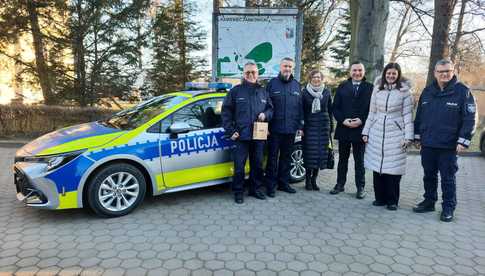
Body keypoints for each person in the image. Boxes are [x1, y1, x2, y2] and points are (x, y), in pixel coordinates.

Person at [413, 59, 476, 222]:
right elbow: (419, 116)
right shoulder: (427, 91)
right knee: (429, 175)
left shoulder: (463, 92)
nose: (444, 74)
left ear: (453, 71)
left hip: (448, 145)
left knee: (448, 178)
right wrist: (417, 136)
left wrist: (463, 141)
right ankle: (429, 201)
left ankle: (448, 207)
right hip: (428, 143)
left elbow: (470, 119)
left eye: (448, 71)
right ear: (435, 73)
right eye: (441, 71)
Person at [361, 63, 414, 210]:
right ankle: (380, 198)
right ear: (384, 74)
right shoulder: (377, 90)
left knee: (393, 170)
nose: (391, 76)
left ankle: (392, 201)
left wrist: (408, 137)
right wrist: (365, 132)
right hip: (377, 132)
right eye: (388, 73)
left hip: (396, 133)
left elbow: (408, 116)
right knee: (377, 167)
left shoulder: (405, 92)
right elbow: (371, 113)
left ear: (398, 75)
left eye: (394, 74)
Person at [221, 62, 273, 204]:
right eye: (247, 72)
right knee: (239, 167)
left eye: (253, 72)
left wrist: (265, 114)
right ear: (243, 74)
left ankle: (255, 189)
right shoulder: (235, 91)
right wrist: (231, 131)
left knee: (257, 165)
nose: (250, 75)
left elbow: (271, 109)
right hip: (241, 136)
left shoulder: (263, 92)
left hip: (258, 136)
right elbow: (226, 113)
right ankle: (238, 192)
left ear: (258, 74)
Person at [331, 62, 373, 198]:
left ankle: (360, 187)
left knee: (359, 160)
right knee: (342, 159)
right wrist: (343, 120)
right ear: (350, 72)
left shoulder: (370, 88)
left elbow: (372, 109)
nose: (357, 73)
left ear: (364, 72)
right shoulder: (342, 86)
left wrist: (362, 120)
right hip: (344, 128)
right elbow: (335, 108)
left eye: (360, 70)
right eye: (354, 70)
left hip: (361, 129)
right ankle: (340, 184)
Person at [265, 57, 303, 197]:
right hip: (274, 129)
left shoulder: (296, 85)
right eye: (285, 66)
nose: (287, 69)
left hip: (291, 129)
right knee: (272, 158)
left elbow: (300, 107)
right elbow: (266, 106)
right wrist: (266, 127)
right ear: (280, 67)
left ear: (292, 68)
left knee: (286, 157)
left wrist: (300, 125)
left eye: (289, 67)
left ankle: (284, 183)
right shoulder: (272, 84)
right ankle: (270, 186)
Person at [301, 70, 333, 191]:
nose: (316, 79)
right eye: (314, 77)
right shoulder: (304, 93)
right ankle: (308, 180)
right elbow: (301, 111)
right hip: (310, 126)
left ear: (322, 78)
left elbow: (330, 110)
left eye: (319, 77)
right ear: (310, 78)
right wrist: (301, 127)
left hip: (323, 127)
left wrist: (331, 128)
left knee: (320, 155)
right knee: (310, 154)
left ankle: (314, 180)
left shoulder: (326, 92)